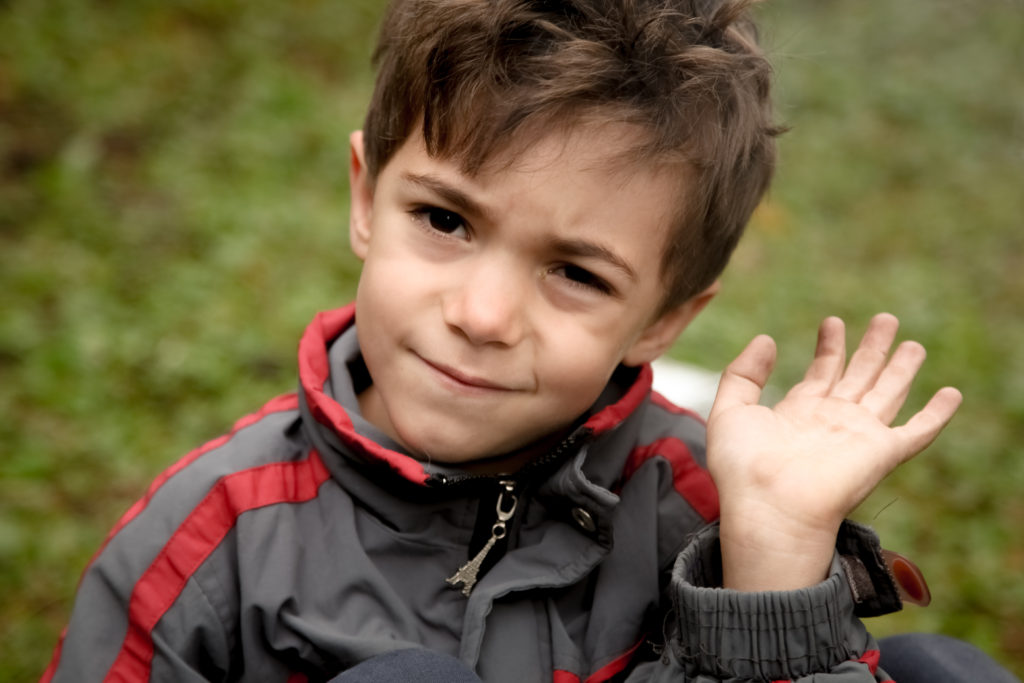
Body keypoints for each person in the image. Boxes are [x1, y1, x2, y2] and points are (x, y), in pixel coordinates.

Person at [43, 0, 1009, 681]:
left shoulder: (701, 506)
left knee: (939, 670)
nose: (485, 315)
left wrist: (774, 564)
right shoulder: (216, 536)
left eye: (577, 273)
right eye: (447, 221)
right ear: (365, 196)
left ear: (665, 320)